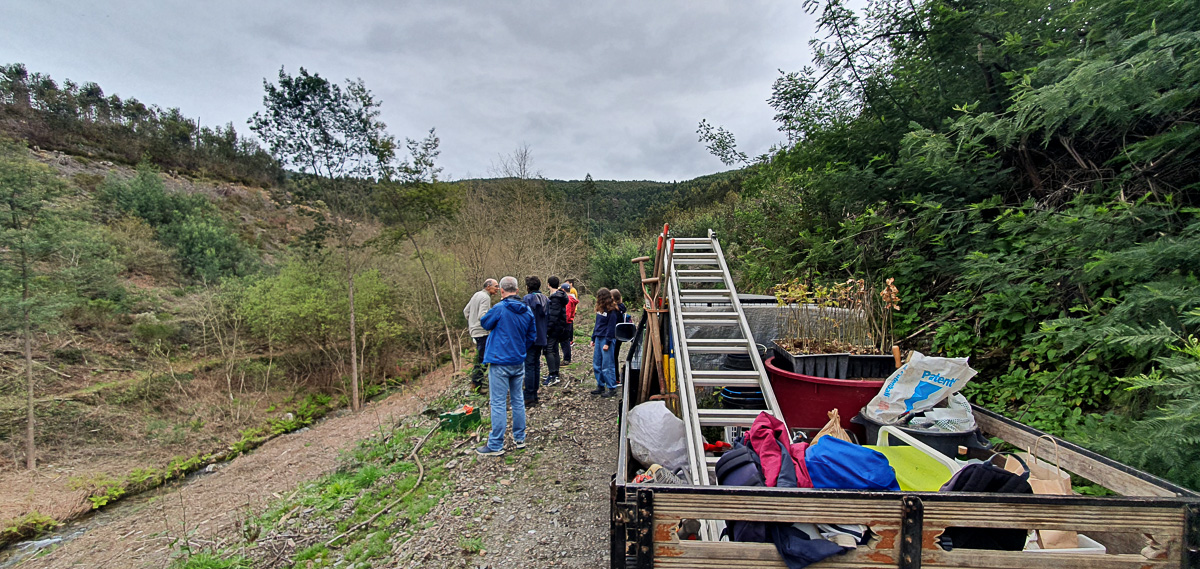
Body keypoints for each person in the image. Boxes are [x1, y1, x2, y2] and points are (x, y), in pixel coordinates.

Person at [476, 276, 536, 456]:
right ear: (517, 290)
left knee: (498, 402)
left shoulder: (499, 308)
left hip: (500, 361)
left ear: (502, 291)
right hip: (518, 361)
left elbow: (485, 323)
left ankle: (496, 444)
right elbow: (531, 336)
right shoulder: (527, 310)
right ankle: (520, 438)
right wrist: (520, 349)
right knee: (517, 400)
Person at [463, 278, 499, 392]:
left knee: (480, 357)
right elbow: (482, 316)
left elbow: (466, 311)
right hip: (482, 332)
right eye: (496, 286)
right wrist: (490, 324)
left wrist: (472, 323)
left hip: (474, 331)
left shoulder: (476, 295)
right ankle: (476, 386)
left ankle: (477, 384)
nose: (497, 289)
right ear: (488, 286)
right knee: (483, 360)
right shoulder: (485, 297)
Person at [522, 276, 549, 407]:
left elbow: (525, 319)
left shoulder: (527, 299)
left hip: (530, 337)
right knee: (536, 365)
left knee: (529, 366)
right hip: (542, 335)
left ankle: (529, 396)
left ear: (528, 287)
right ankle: (535, 394)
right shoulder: (545, 299)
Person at [590, 288, 619, 398]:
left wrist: (607, 342)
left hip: (606, 339)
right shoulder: (600, 310)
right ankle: (600, 385)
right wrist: (593, 338)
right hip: (598, 338)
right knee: (597, 364)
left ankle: (612, 387)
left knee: (607, 365)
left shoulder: (612, 311)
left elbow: (611, 328)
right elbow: (597, 325)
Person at [543, 277, 570, 386]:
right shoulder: (561, 296)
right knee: (555, 349)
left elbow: (553, 316)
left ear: (548, 285)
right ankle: (555, 374)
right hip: (559, 327)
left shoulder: (555, 298)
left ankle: (553, 375)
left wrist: (547, 329)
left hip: (554, 328)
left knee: (548, 350)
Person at [611, 288, 628, 380]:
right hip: (620, 334)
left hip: (614, 334)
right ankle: (616, 377)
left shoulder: (615, 309)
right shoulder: (622, 307)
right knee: (615, 356)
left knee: (613, 356)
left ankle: (615, 377)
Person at [564, 279, 579, 361]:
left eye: (567, 283)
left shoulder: (572, 291)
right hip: (571, 314)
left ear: (571, 284)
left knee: (569, 328)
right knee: (570, 327)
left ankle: (570, 340)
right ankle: (570, 340)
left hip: (570, 314)